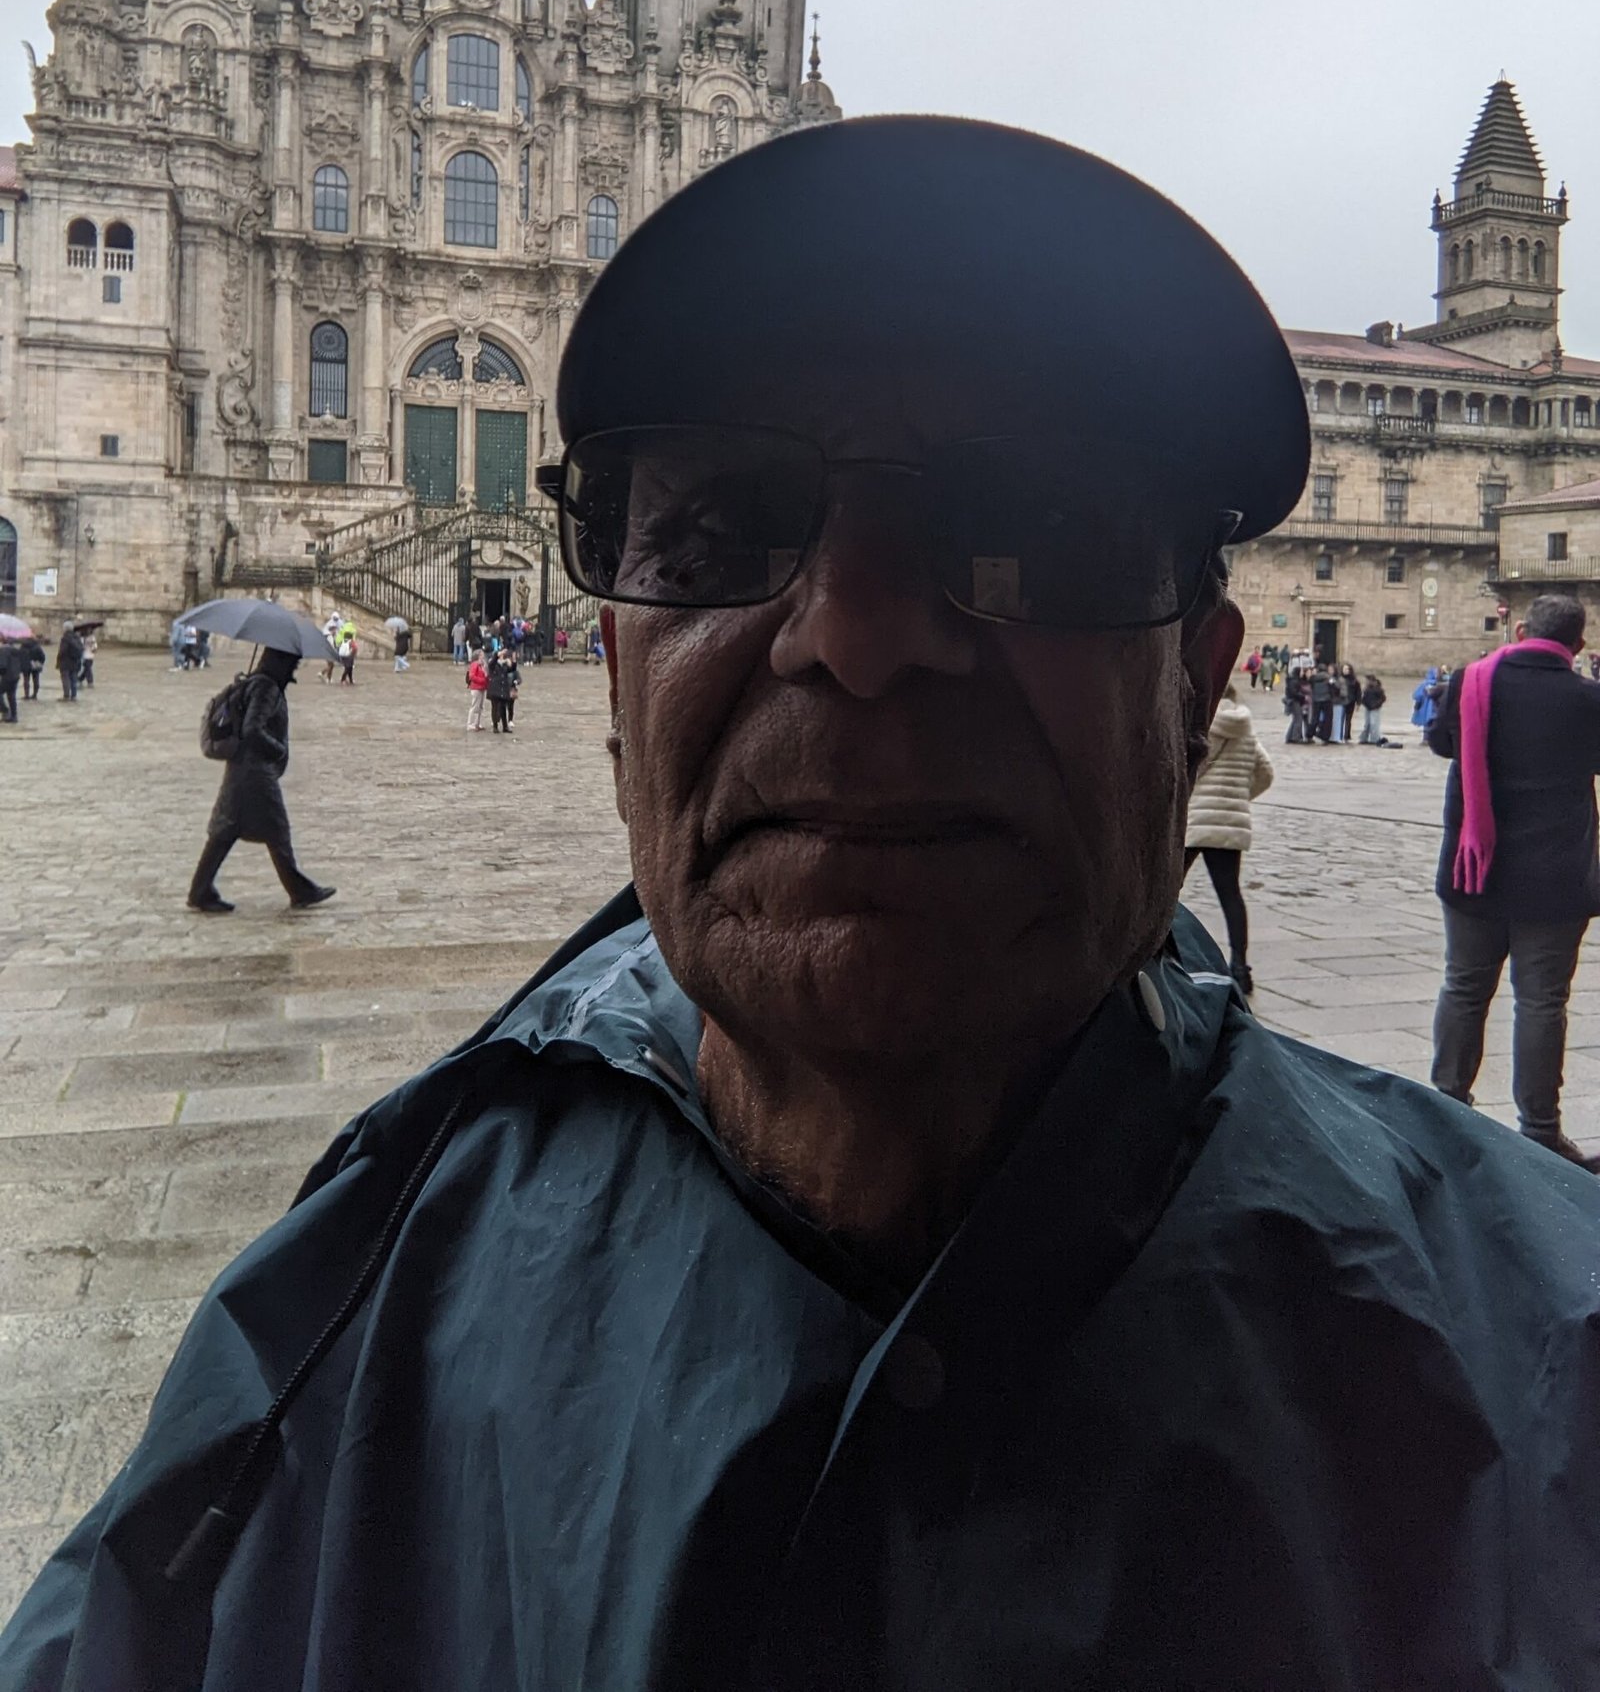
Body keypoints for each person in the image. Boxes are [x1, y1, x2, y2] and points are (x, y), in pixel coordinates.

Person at [10, 120, 1600, 1692]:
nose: (856, 630)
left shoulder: (1552, 1361)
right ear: (617, 676)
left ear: (1198, 687)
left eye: (1030, 531)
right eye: (718, 531)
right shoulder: (348, 1310)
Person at [1429, 594, 1600, 1171]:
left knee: (1463, 988)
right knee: (1542, 1003)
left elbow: (1441, 743)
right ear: (1577, 645)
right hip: (1556, 880)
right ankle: (1541, 1132)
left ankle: (1445, 1109)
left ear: (1522, 630)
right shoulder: (1588, 700)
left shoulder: (1470, 682)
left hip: (1473, 871)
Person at [186, 647, 335, 916]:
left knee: (225, 831)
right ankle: (300, 890)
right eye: (292, 663)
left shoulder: (255, 683)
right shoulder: (266, 688)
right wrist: (277, 749)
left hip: (240, 769)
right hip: (256, 772)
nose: (294, 669)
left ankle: (200, 890)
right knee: (276, 831)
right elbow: (252, 729)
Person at [1183, 682, 1273, 993]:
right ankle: (1241, 968)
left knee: (1168, 890)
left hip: (1195, 819)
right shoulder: (1245, 729)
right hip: (1229, 823)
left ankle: (1160, 955)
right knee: (1230, 894)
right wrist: (1238, 800)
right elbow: (1266, 772)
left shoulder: (1203, 727)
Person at [487, 645, 520, 735]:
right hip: (495, 688)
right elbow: (492, 662)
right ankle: (495, 726)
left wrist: (514, 660)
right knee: (495, 708)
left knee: (503, 708)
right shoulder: (493, 664)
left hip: (503, 688)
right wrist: (498, 654)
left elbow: (512, 669)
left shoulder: (505, 664)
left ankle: (505, 726)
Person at [56, 624, 84, 702]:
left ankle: (66, 695)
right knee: (74, 679)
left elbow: (62, 651)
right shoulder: (77, 637)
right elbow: (82, 648)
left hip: (65, 662)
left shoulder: (65, 638)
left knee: (66, 679)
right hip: (75, 662)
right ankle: (74, 695)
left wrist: (59, 659)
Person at [1359, 671, 1387, 745]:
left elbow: (1383, 698)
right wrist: (1364, 703)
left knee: (1374, 724)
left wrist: (1376, 705)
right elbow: (1363, 698)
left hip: (1375, 708)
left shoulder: (1378, 689)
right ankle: (1363, 739)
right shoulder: (1366, 689)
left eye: (1367, 680)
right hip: (1367, 708)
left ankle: (1374, 739)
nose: (1366, 682)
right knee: (1367, 724)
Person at [1412, 664, 1443, 728]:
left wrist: (1416, 711)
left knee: (1427, 729)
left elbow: (1418, 697)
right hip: (1438, 713)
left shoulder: (1425, 684)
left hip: (1426, 713)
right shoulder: (1442, 685)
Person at [466, 651, 489, 732]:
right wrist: (482, 680)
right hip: (476, 688)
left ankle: (477, 723)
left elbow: (486, 675)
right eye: (482, 655)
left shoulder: (483, 665)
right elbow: (472, 676)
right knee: (475, 706)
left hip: (482, 687)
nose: (483, 656)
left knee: (480, 706)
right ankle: (470, 723)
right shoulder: (475, 664)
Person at [0, 637, 21, 723]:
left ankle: (5, 710)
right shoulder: (16, 651)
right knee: (11, 696)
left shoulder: (3, 651)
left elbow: (2, 665)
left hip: (7, 676)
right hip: (15, 676)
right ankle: (14, 716)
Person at [20, 635, 44, 701]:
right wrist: (40, 662)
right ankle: (35, 694)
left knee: (26, 680)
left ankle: (26, 695)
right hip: (35, 665)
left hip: (26, 665)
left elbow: (20, 656)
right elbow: (42, 656)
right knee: (36, 680)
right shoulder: (37, 646)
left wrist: (21, 664)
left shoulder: (23, 646)